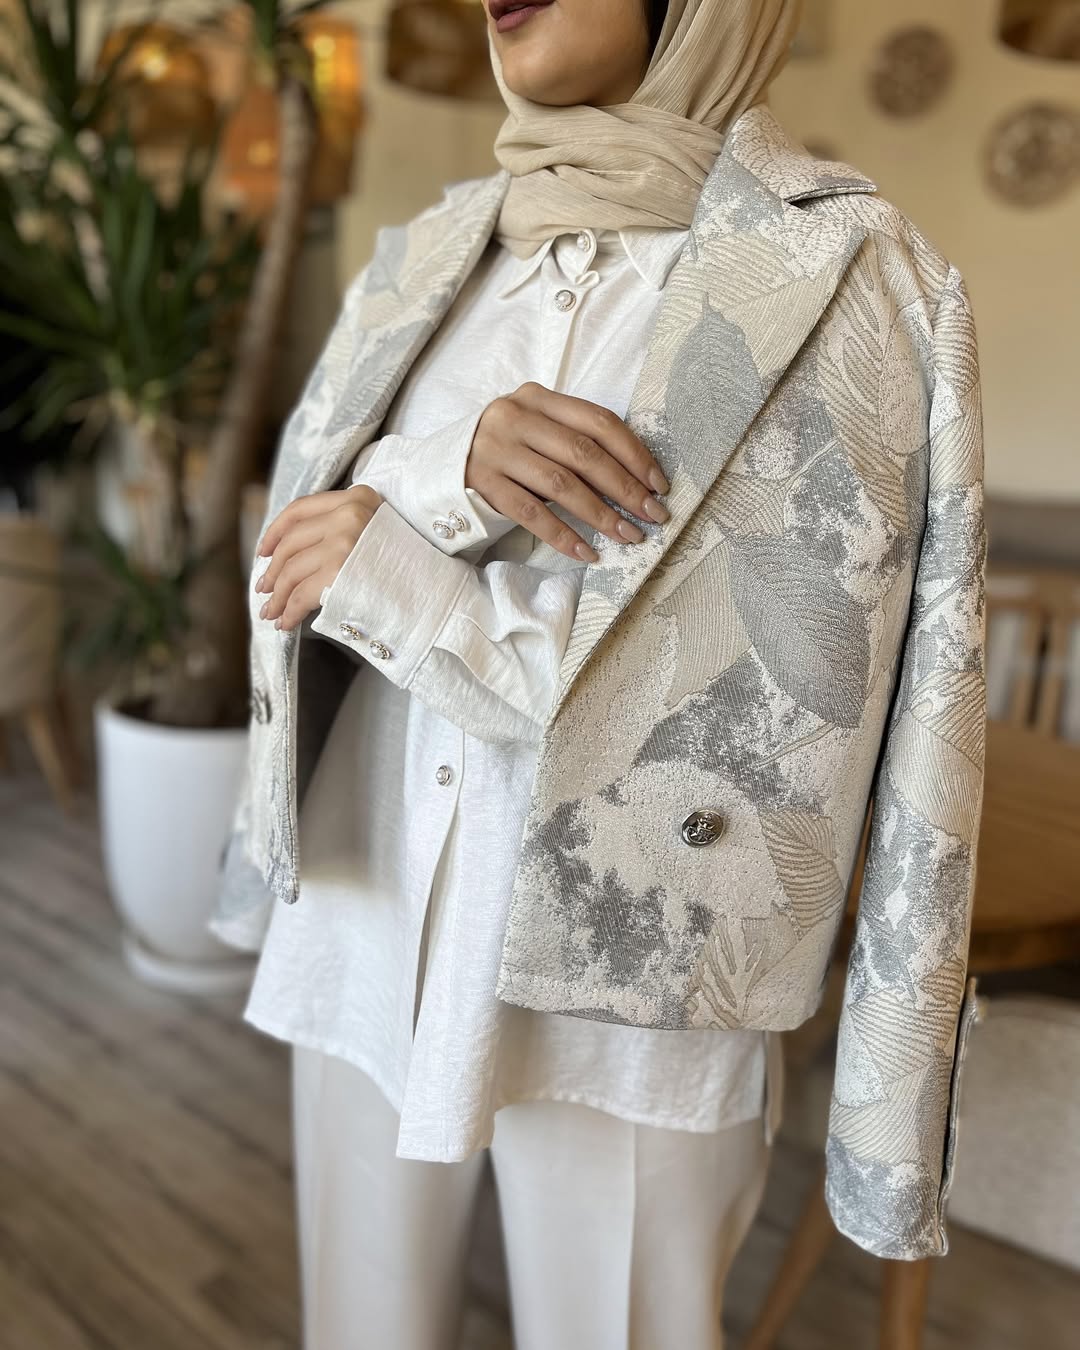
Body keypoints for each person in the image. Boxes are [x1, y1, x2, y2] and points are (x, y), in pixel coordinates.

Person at [212, 1, 988, 1347]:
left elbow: (759, 723)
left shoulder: (853, 278)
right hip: (370, 897)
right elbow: (296, 558)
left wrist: (407, 579)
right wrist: (440, 473)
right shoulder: (432, 250)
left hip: (648, 972)